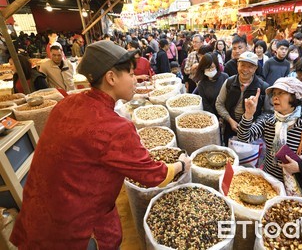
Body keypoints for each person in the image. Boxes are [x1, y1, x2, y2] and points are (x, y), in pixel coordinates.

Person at [10, 40, 191, 249]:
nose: (135, 80)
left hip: (38, 217)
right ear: (111, 77)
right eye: (131, 74)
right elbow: (153, 176)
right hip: (76, 231)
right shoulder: (115, 128)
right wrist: (181, 165)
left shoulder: (67, 103)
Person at [237, 77, 302, 182]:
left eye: (281, 93)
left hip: (295, 187)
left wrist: (300, 167)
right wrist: (248, 115)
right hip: (268, 181)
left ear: (296, 96)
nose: (275, 97)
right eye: (274, 94)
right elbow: (243, 138)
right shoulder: (269, 121)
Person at [216, 51, 270, 145]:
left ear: (255, 68)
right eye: (243, 65)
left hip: (251, 131)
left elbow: (268, 112)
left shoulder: (263, 87)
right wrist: (230, 120)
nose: (245, 69)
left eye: (250, 67)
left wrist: (254, 124)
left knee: (248, 157)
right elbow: (219, 103)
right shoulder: (229, 82)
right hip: (230, 127)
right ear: (238, 65)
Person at [195, 53, 229, 117]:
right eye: (207, 68)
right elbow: (205, 104)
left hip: (226, 114)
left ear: (216, 66)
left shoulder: (225, 77)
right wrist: (214, 117)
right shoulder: (201, 84)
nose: (210, 70)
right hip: (212, 115)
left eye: (212, 67)